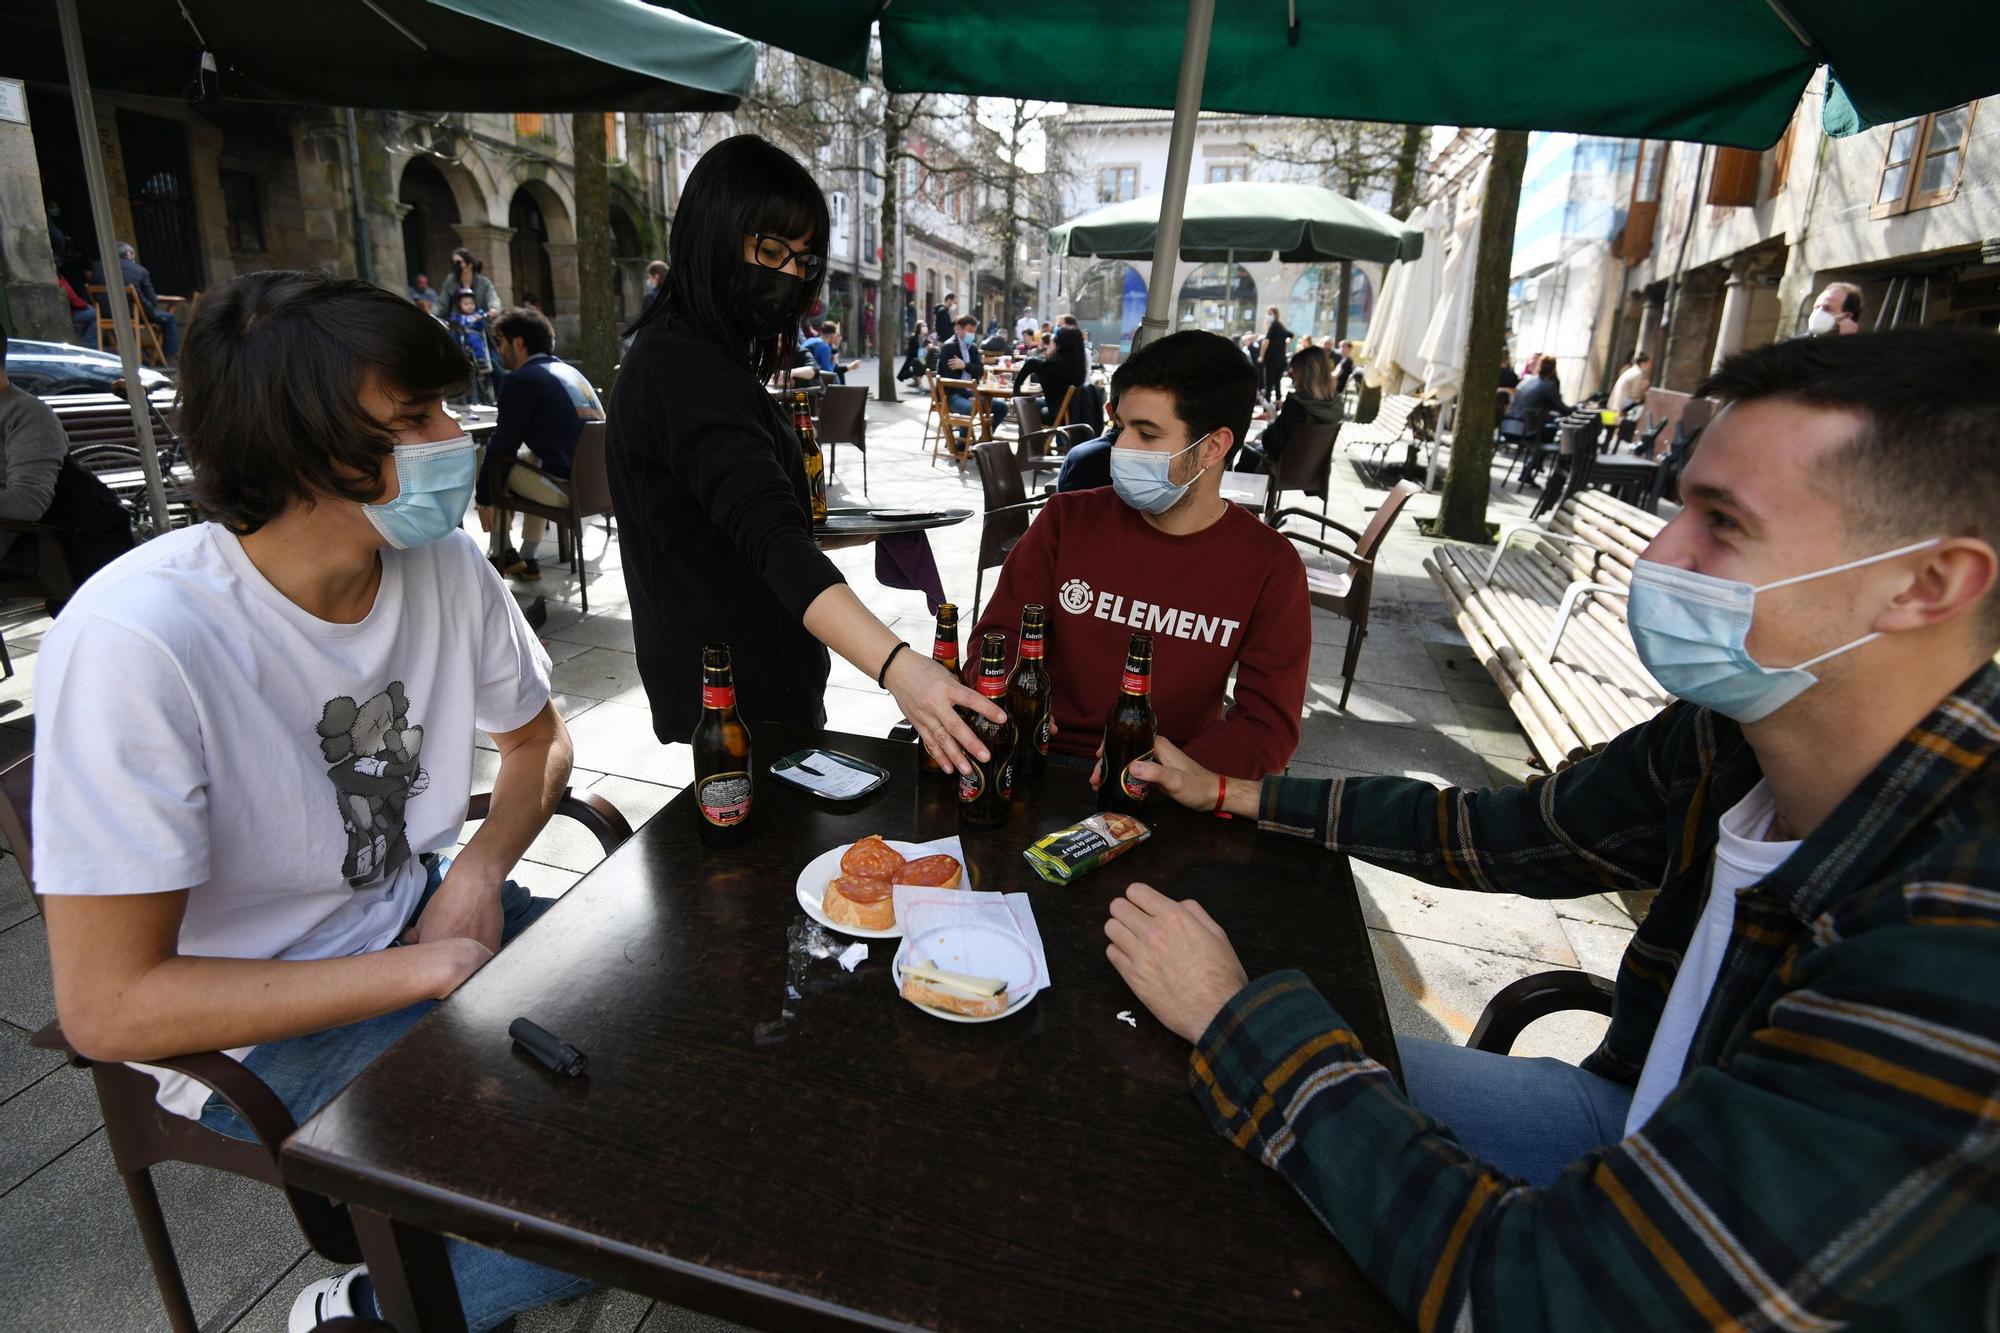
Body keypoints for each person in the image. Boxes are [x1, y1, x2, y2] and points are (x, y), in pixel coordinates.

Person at [1098, 328, 2000, 1330]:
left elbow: (1538, 1293)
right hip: (1622, 1121)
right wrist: (1234, 795)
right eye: (1676, 508)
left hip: (1640, 1273)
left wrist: (1240, 1019)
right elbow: (1503, 832)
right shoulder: (1732, 737)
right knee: (1170, 1065)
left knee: (1243, 1082)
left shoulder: (1961, 939)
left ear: (1925, 583)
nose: (1660, 555)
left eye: (1721, 524)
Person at [34, 269, 589, 1332]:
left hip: (419, 913)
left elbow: (535, 739)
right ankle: (366, 1308)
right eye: (411, 417)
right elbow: (106, 1006)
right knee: (586, 1207)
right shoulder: (139, 642)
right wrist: (421, 967)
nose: (451, 434)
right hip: (248, 1021)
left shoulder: (438, 557)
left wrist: (475, 873)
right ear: (298, 453)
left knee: (669, 1065)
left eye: (442, 403)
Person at [606, 134, 1004, 773]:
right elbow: (769, 540)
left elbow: (730, 518)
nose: (789, 276)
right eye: (770, 251)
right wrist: (902, 670)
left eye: (804, 261)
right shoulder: (682, 366)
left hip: (765, 682)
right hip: (733, 698)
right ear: (712, 237)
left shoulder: (707, 359)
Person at [968, 329, 1310, 779]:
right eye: (1120, 427)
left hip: (1173, 780)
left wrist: (1177, 772)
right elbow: (996, 636)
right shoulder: (1067, 520)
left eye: (1147, 434)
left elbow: (1266, 728)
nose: (1122, 448)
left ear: (1212, 447)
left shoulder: (1269, 566)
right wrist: (1008, 700)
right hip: (1038, 757)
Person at [477, 307, 605, 582]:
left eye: (500, 342)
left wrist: (484, 497)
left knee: (492, 459)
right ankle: (529, 557)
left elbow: (502, 446)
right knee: (532, 459)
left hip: (567, 490)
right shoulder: (572, 373)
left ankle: (502, 552)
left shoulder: (522, 380)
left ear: (518, 343)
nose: (498, 350)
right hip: (600, 489)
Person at [1231, 346, 1340, 478]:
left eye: (1294, 370)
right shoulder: (1334, 403)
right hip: (1312, 468)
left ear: (1305, 373)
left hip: (1283, 467)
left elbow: (1272, 443)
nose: (1291, 374)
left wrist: (1272, 420)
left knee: (1248, 448)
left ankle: (1241, 497)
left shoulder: (1296, 404)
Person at [89, 241, 180, 362]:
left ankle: (152, 356)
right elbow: (153, 300)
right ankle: (168, 358)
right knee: (169, 318)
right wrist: (149, 307)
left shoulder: (97, 267)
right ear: (128, 253)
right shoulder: (139, 270)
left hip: (106, 315)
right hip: (134, 315)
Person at [941, 314, 1007, 438]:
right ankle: (962, 445)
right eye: (969, 331)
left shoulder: (973, 348)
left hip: (973, 392)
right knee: (969, 408)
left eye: (974, 332)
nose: (972, 334)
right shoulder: (949, 347)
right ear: (958, 329)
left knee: (1002, 407)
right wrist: (968, 395)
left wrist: (964, 365)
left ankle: (985, 438)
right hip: (953, 394)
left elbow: (980, 371)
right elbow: (950, 378)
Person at [448, 291, 495, 405]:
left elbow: (482, 325)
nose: (469, 306)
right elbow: (452, 323)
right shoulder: (456, 316)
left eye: (471, 303)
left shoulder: (477, 315)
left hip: (473, 340)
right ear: (459, 305)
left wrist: (480, 319)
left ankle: (481, 359)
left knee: (476, 340)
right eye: (466, 304)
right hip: (460, 342)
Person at [438, 247, 501, 320]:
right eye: (453, 263)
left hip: (481, 325)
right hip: (457, 326)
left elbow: (493, 298)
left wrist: (494, 309)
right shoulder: (450, 283)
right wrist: (432, 315)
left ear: (470, 265)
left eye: (459, 262)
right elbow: (441, 304)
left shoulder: (484, 283)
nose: (455, 265)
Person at [799, 318, 858, 386]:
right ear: (832, 335)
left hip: (802, 372)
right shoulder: (824, 346)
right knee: (836, 378)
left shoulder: (812, 340)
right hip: (809, 379)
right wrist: (833, 362)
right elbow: (829, 372)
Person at [1256, 305, 1290, 401]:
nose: (1268, 316)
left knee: (1269, 385)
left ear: (1275, 314)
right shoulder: (1280, 326)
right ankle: (1278, 404)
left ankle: (1266, 409)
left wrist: (1261, 355)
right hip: (1281, 359)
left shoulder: (1274, 325)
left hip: (1272, 359)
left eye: (1270, 314)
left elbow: (1266, 341)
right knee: (1277, 383)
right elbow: (1290, 335)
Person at [59, 274, 98, 345]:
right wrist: (85, 305)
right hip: (71, 313)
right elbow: (73, 299)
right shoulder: (60, 281)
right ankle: (89, 344)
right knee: (96, 314)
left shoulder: (60, 279)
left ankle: (89, 343)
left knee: (94, 316)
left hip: (71, 311)